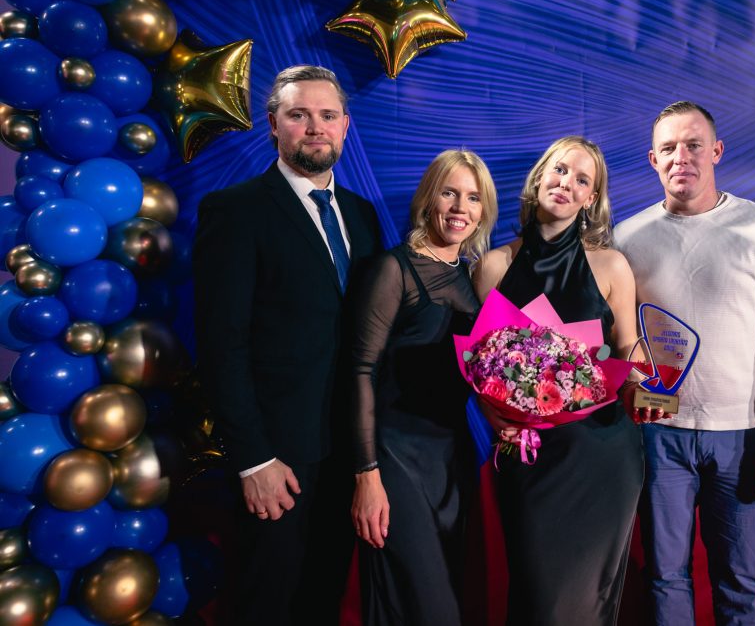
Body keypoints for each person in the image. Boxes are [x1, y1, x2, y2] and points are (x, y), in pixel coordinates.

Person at [193, 65, 383, 626]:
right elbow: (221, 345)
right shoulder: (236, 211)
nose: (315, 127)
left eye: (327, 115)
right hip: (278, 458)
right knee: (267, 603)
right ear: (274, 125)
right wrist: (253, 459)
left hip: (350, 454)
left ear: (345, 125)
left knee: (323, 599)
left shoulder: (362, 214)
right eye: (299, 115)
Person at [614, 101, 755, 625]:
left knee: (741, 585)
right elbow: (620, 341)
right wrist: (631, 385)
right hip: (659, 436)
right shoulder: (626, 239)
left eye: (694, 144)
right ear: (653, 159)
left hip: (743, 438)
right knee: (664, 580)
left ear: (716, 151)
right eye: (668, 148)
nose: (681, 156)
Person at [472, 136, 644, 626]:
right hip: (528, 455)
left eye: (582, 179)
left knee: (589, 601)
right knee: (538, 598)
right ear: (540, 177)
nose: (567, 183)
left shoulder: (611, 265)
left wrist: (643, 387)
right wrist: (494, 416)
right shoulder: (494, 265)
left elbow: (627, 347)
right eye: (560, 170)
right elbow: (479, 367)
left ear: (591, 198)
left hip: (603, 455)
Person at [349, 149, 498, 625]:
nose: (460, 208)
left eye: (473, 198)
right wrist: (367, 475)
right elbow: (360, 371)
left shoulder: (473, 280)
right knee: (426, 607)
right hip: (394, 459)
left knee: (446, 597)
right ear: (429, 198)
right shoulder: (394, 269)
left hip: (452, 462)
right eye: (449, 193)